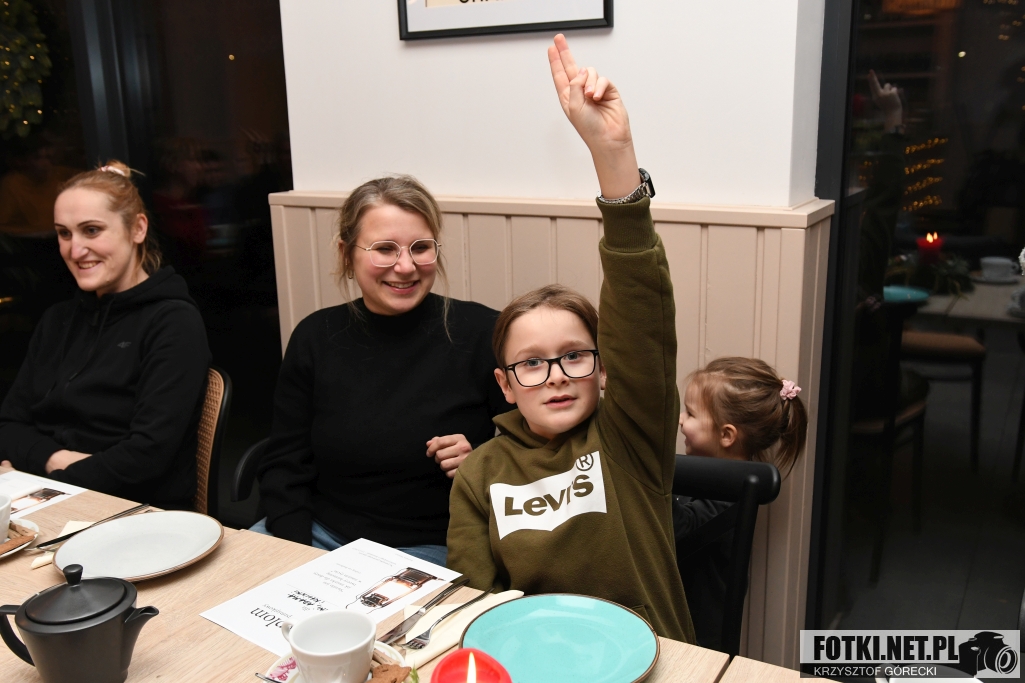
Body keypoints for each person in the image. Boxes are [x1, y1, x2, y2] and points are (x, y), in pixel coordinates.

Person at [446, 34, 695, 642]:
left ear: (604, 369)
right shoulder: (481, 474)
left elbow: (641, 316)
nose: (556, 375)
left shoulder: (629, 436)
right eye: (531, 364)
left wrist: (614, 156)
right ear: (505, 385)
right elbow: (473, 604)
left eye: (574, 356)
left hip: (653, 658)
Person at [254, 174, 510, 565]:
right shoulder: (315, 337)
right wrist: (298, 556)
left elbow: (536, 455)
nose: (405, 266)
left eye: (420, 247)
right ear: (346, 254)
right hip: (317, 535)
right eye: (385, 249)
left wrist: (481, 462)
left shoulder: (484, 333)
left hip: (432, 546)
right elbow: (284, 465)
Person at [0, 161, 212, 509]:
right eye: (64, 233)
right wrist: (57, 460)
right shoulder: (57, 320)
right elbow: (8, 425)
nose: (75, 250)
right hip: (47, 498)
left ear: (138, 228)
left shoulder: (173, 323)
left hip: (135, 512)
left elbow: (146, 458)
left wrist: (41, 477)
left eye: (92, 230)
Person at [673, 356, 808, 648]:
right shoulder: (703, 477)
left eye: (691, 414)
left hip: (697, 638)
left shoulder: (730, 495)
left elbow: (678, 528)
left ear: (726, 435)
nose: (681, 419)